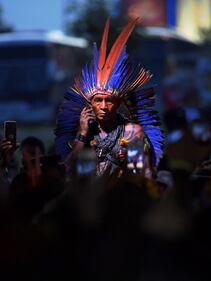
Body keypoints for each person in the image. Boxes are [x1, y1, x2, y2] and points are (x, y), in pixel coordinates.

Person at [55, 18, 164, 178]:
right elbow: (66, 171)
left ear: (118, 103)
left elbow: (138, 172)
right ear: (90, 103)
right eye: (98, 100)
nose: (104, 106)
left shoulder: (131, 132)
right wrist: (83, 134)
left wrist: (126, 163)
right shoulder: (82, 133)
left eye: (109, 100)